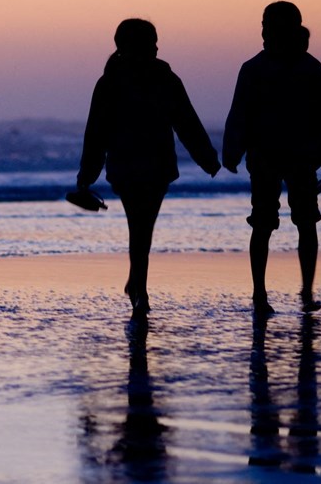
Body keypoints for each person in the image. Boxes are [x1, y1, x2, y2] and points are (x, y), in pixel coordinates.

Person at [76, 18, 221, 317]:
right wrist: (206, 158)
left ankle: (137, 283)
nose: (156, 48)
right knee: (142, 224)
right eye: (151, 42)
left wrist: (86, 177)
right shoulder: (124, 82)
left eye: (156, 42)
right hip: (140, 166)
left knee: (140, 224)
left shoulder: (125, 81)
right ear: (131, 46)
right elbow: (97, 133)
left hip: (144, 166)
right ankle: (138, 287)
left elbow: (186, 121)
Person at [222, 1, 321, 315]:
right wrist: (232, 150)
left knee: (289, 223)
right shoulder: (263, 68)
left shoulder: (304, 69)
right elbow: (240, 114)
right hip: (273, 157)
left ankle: (295, 291)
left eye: (270, 25)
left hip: (292, 157)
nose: (265, 31)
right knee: (276, 223)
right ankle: (267, 293)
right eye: (264, 25)